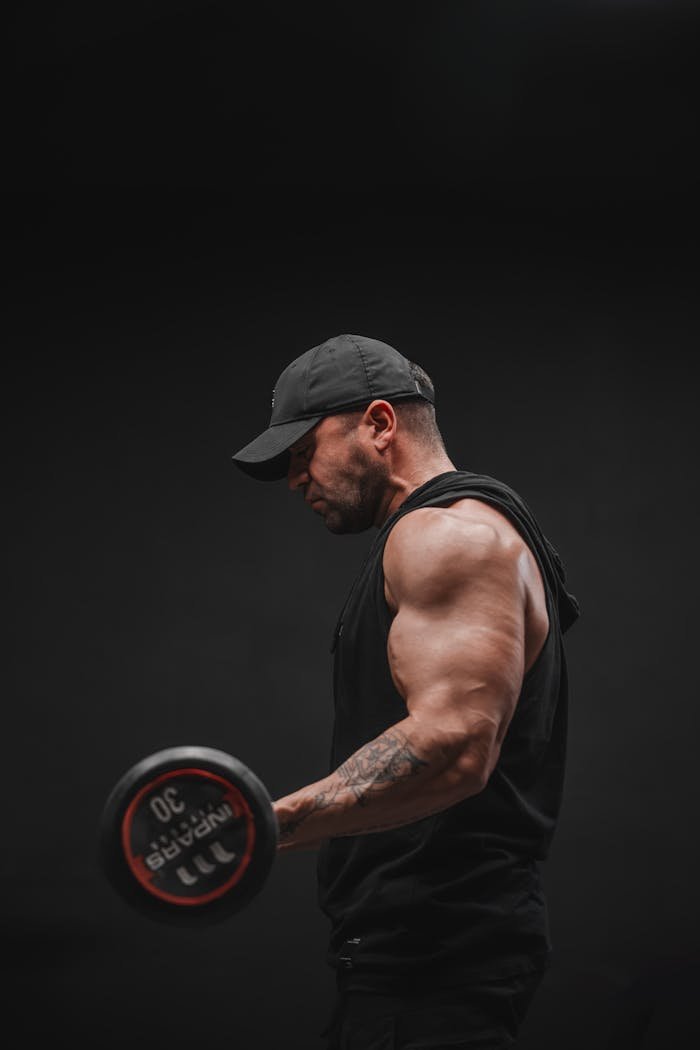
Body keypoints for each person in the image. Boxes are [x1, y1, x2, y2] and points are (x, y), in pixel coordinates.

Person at [232, 334, 580, 1049]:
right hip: (413, 961)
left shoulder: (445, 537)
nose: (297, 479)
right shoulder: (446, 534)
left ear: (381, 424)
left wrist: (262, 825)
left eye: (304, 452)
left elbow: (454, 748)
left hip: (438, 966)